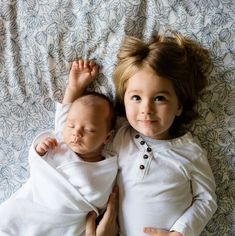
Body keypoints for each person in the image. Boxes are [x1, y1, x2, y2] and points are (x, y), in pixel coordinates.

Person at [58, 31, 217, 236]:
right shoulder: (118, 135)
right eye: (136, 98)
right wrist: (74, 89)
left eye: (159, 98)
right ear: (123, 101)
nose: (146, 109)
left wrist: (181, 232)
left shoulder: (189, 151)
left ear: (179, 106)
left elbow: (207, 199)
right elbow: (70, 133)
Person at [0, 61, 118, 236]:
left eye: (89, 129)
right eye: (71, 126)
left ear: (107, 137)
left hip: (63, 222)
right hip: (31, 205)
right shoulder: (61, 140)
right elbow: (66, 111)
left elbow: (99, 201)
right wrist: (40, 151)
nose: (76, 133)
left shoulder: (108, 166)